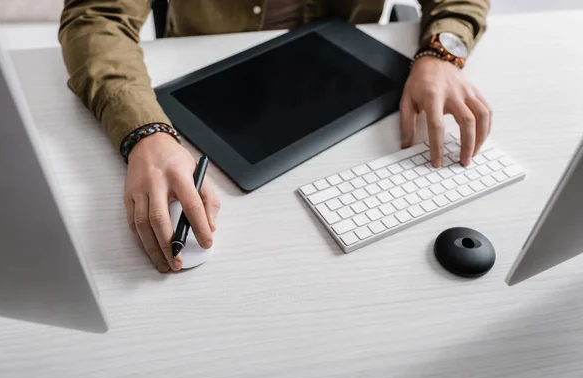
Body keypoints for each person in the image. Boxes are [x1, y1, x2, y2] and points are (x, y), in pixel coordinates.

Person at [59, 0, 491, 273]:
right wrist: (145, 132)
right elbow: (96, 15)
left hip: (347, 86)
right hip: (205, 93)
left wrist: (441, 54)